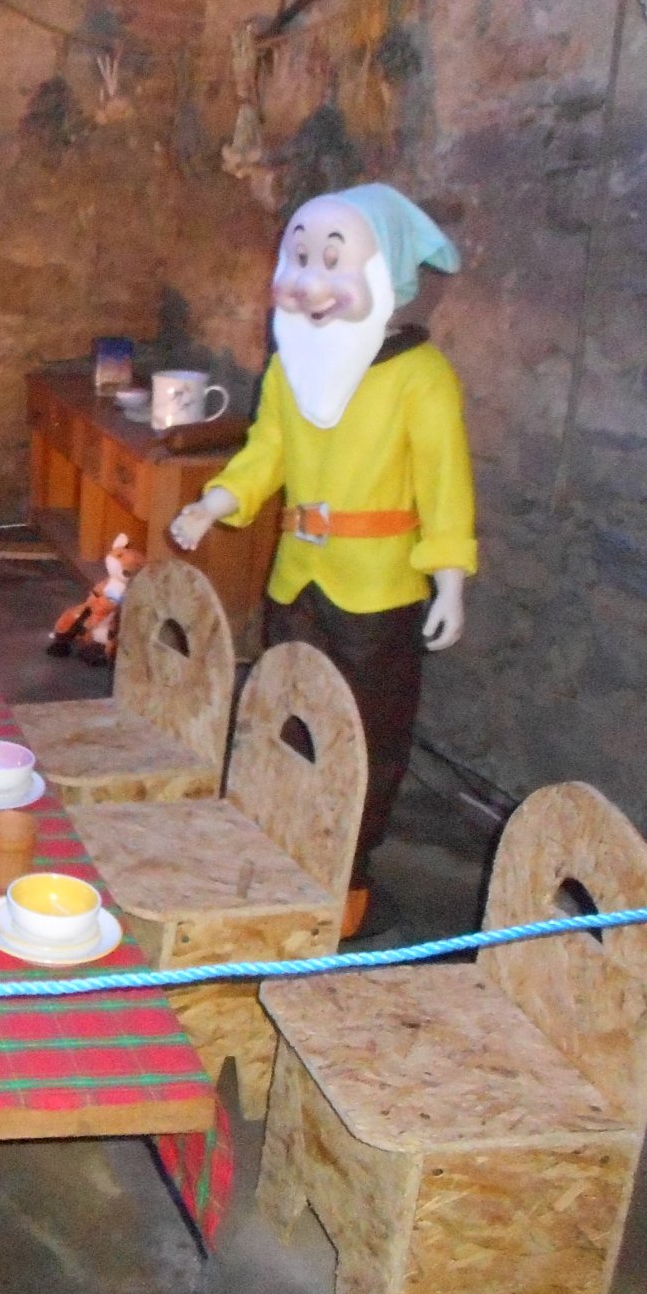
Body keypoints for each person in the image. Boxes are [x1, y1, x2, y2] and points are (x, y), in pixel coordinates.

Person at [169, 183, 476, 938]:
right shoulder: (291, 369)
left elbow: (444, 482)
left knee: (366, 738)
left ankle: (348, 882)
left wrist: (448, 578)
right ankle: (278, 846)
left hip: (375, 589)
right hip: (297, 578)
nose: (308, 280)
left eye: (331, 261)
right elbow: (266, 451)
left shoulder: (419, 376)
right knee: (286, 717)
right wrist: (216, 501)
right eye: (300, 257)